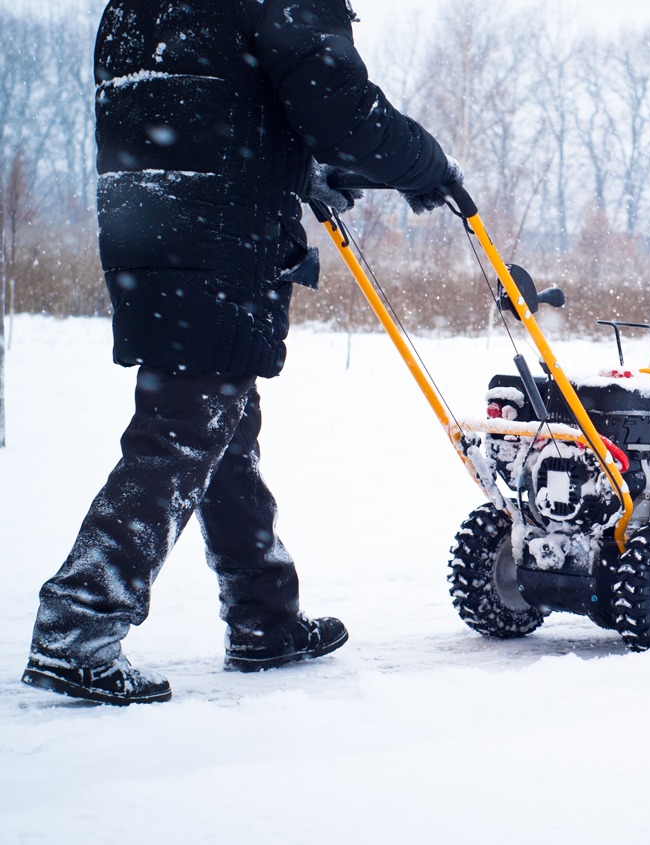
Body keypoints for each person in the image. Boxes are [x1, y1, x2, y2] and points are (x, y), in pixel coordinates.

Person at [21, 0, 461, 705]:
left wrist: (295, 169)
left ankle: (264, 615)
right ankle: (81, 617)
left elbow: (194, 99)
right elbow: (341, 113)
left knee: (222, 418)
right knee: (186, 425)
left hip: (148, 223)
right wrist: (425, 164)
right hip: (218, 233)